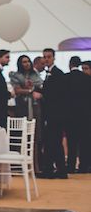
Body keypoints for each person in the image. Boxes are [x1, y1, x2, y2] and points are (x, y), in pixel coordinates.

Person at [39, 48, 67, 179]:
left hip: (55, 114)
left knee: (54, 142)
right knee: (52, 142)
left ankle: (53, 170)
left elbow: (57, 95)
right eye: (44, 57)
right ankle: (55, 170)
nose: (46, 59)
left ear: (54, 58)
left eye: (48, 57)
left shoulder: (58, 73)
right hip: (51, 114)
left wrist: (41, 95)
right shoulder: (49, 73)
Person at [65, 56, 91, 173]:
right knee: (84, 141)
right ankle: (83, 166)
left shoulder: (65, 78)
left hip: (70, 115)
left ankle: (70, 166)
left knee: (71, 142)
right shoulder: (87, 79)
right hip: (85, 115)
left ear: (70, 64)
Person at [9, 55, 42, 120]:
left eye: (28, 61)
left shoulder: (35, 74)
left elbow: (40, 85)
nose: (27, 64)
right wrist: (30, 90)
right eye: (24, 62)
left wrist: (31, 87)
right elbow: (17, 90)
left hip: (35, 103)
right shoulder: (16, 75)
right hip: (21, 103)